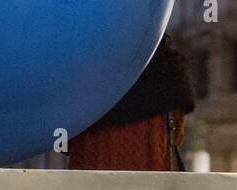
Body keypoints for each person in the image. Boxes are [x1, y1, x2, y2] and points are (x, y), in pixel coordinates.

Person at [67, 33, 196, 172]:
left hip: (90, 183)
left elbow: (65, 142)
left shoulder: (80, 71)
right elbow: (177, 137)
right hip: (151, 184)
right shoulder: (171, 76)